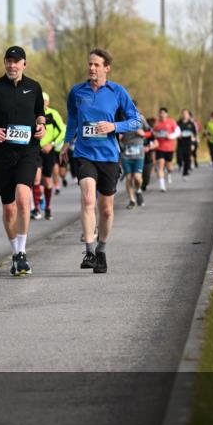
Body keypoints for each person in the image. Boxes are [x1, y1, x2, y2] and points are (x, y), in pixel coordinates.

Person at [60, 49, 141, 274]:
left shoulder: (117, 92)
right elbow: (73, 119)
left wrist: (114, 126)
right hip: (84, 154)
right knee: (87, 199)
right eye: (90, 64)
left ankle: (102, 249)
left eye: (96, 65)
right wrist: (67, 142)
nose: (92, 68)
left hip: (108, 156)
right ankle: (89, 250)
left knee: (106, 209)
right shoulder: (77, 91)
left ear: (107, 68)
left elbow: (136, 121)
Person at [0, 45, 46, 277]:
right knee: (8, 208)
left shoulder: (34, 87)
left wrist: (41, 125)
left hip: (28, 151)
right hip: (2, 154)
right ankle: (16, 252)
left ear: (24, 64)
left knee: (22, 195)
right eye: (8, 61)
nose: (12, 65)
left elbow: (40, 112)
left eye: (16, 61)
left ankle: (22, 252)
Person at [32, 91, 66, 221]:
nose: (43, 103)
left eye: (45, 101)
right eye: (41, 101)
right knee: (36, 178)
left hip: (49, 150)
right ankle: (36, 209)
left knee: (47, 181)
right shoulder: (33, 113)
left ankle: (48, 208)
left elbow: (62, 131)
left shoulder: (53, 114)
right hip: (36, 150)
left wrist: (52, 143)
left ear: (48, 102)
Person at [120, 117, 151, 209]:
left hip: (139, 154)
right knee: (129, 178)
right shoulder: (120, 119)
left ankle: (138, 190)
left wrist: (144, 134)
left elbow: (151, 133)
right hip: (126, 154)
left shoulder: (140, 118)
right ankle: (132, 200)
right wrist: (118, 136)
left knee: (137, 178)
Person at [151, 107, 180, 192]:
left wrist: (170, 136)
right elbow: (152, 132)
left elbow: (178, 132)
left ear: (166, 114)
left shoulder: (171, 122)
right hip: (159, 147)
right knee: (160, 166)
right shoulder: (156, 123)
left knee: (169, 166)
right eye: (160, 113)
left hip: (169, 148)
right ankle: (162, 186)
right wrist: (155, 135)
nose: (162, 115)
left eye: (164, 113)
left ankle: (169, 173)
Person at [176, 109, 199, 178]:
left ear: (189, 115)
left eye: (186, 114)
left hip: (189, 143)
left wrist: (193, 143)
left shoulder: (191, 124)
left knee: (187, 158)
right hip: (180, 142)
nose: (184, 115)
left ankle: (185, 172)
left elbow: (195, 134)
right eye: (183, 114)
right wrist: (177, 135)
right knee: (179, 156)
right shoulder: (178, 123)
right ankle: (180, 164)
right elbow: (174, 132)